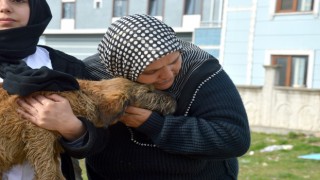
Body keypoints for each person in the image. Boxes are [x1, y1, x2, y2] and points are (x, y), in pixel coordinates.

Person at [20, 14, 251, 179]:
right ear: (119, 71)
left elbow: (233, 138)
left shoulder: (201, 71)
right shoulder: (92, 75)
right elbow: (86, 137)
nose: (167, 75)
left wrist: (154, 125)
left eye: (173, 61)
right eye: (151, 72)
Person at [0, 0, 88, 179]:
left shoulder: (67, 67)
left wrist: (72, 127)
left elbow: (101, 139)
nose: (4, 7)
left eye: (17, 0)